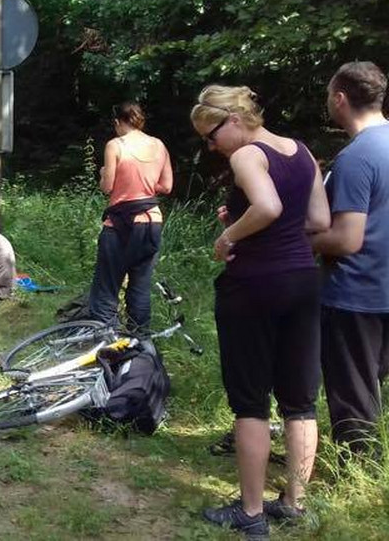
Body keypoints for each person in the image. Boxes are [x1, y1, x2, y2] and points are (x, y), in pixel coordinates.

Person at [191, 86, 330, 538]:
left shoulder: (247, 155)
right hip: (302, 282)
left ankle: (251, 513)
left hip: (253, 286)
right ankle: (293, 503)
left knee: (250, 401)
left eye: (211, 136)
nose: (211, 147)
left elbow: (267, 207)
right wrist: (248, 220)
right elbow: (318, 222)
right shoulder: (301, 151)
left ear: (233, 120)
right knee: (300, 400)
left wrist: (228, 235)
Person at [310, 61, 389, 457]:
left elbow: (346, 239)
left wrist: (302, 238)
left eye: (329, 95)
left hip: (356, 295)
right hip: (385, 286)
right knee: (375, 386)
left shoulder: (357, 156)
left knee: (354, 394)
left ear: (340, 99)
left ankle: (355, 473)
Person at [89, 102, 173, 332]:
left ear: (118, 122)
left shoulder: (115, 145)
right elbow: (166, 186)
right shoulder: (159, 145)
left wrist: (104, 174)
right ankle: (140, 343)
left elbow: (108, 187)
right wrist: (146, 182)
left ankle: (105, 342)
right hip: (152, 221)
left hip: (120, 224)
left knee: (107, 287)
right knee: (140, 287)